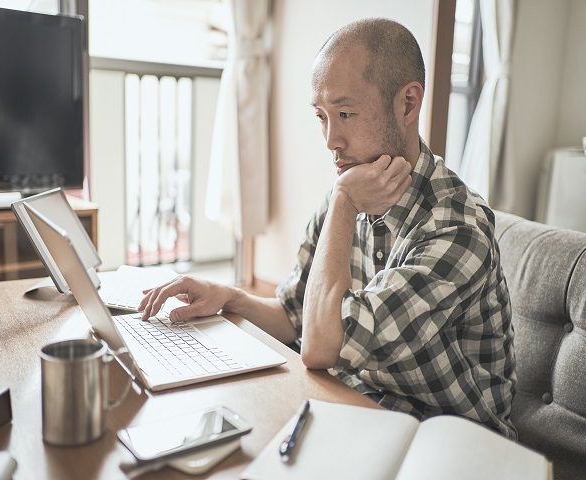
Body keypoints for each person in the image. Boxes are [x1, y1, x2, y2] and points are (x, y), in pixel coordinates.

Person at [138, 18, 517, 438]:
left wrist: (343, 204)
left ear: (408, 104)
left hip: (447, 439)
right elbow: (296, 316)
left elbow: (319, 346)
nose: (330, 139)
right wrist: (230, 298)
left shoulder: (457, 228)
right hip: (358, 408)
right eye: (321, 116)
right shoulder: (350, 189)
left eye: (346, 113)